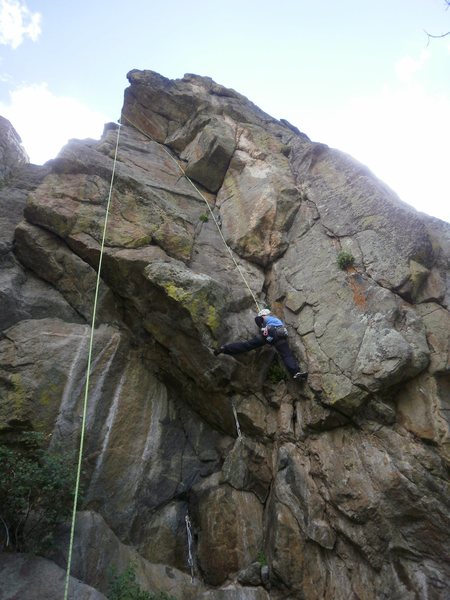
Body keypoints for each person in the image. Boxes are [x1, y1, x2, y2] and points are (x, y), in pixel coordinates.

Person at [214, 308, 307, 380]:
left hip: (269, 335)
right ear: (265, 314)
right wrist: (263, 327)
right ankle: (295, 372)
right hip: (279, 336)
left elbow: (258, 319)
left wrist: (262, 328)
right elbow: (258, 318)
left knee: (247, 345)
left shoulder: (267, 319)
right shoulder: (272, 318)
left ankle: (224, 349)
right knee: (287, 355)